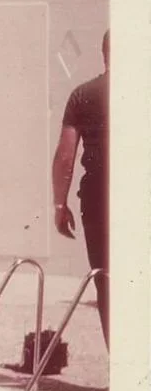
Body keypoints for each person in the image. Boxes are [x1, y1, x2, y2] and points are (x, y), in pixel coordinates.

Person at [52, 29, 109, 349]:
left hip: (98, 200)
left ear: (103, 53)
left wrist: (59, 206)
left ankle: (121, 370)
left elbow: (64, 157)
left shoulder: (82, 94)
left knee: (107, 281)